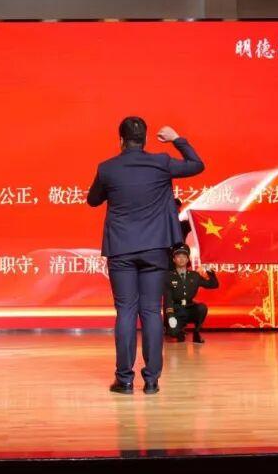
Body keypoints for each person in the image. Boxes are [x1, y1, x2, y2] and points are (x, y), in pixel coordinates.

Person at [87, 117, 204, 395]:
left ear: (121, 140)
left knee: (126, 311)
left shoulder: (107, 168)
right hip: (154, 249)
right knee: (151, 311)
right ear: (146, 140)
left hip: (121, 249)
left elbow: (93, 200)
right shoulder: (161, 163)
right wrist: (177, 139)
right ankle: (152, 381)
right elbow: (197, 164)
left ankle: (124, 380)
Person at [164, 243, 218, 343]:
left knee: (202, 308)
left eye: (184, 256)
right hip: (176, 310)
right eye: (178, 256)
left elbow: (213, 285)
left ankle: (196, 332)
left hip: (190, 308)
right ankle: (180, 331)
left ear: (188, 259)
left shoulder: (194, 276)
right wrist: (170, 315)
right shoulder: (168, 277)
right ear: (174, 259)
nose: (181, 259)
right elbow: (168, 298)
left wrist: (209, 270)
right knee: (172, 332)